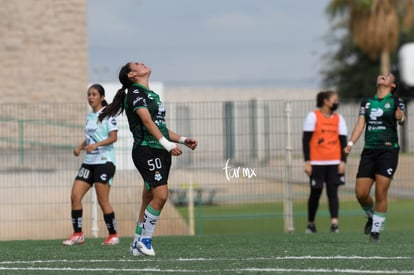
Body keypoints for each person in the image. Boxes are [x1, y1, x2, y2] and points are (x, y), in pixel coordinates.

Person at [98, 62, 198, 256]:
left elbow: (159, 126)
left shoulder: (152, 95)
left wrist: (183, 140)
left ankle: (136, 243)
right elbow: (146, 121)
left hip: (158, 148)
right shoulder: (135, 93)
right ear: (131, 75)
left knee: (148, 197)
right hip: (147, 150)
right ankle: (146, 240)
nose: (142, 63)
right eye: (137, 64)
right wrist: (167, 144)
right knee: (161, 196)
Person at [344, 72, 405, 242]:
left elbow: (401, 118)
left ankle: (376, 232)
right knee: (361, 193)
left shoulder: (396, 101)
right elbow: (360, 124)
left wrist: (401, 118)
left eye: (387, 75)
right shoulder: (367, 102)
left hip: (388, 151)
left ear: (393, 85)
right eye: (381, 74)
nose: (383, 75)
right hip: (369, 151)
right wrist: (350, 144)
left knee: (380, 192)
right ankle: (372, 216)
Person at [63, 84, 119, 246]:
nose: (90, 97)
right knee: (75, 196)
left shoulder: (108, 115)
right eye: (89, 94)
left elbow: (113, 137)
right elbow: (90, 137)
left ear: (102, 97)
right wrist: (81, 147)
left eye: (94, 94)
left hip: (104, 162)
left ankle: (113, 235)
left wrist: (97, 145)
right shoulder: (89, 117)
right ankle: (78, 234)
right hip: (89, 163)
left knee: (103, 201)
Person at [302, 90, 348, 234]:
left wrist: (343, 161)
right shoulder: (313, 117)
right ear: (325, 101)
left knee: (333, 193)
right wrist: (307, 161)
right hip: (317, 162)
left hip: (334, 161)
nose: (336, 102)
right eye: (334, 100)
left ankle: (334, 224)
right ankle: (311, 224)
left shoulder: (338, 119)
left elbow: (343, 142)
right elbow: (306, 141)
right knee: (315, 192)